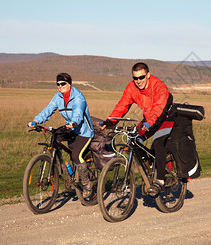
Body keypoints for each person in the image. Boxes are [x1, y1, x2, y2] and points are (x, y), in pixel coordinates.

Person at [100, 62, 173, 195]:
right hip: (149, 120)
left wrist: (149, 123)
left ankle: (161, 180)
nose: (138, 81)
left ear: (148, 75)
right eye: (135, 78)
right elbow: (122, 105)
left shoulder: (159, 85)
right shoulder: (132, 87)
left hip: (165, 118)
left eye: (141, 77)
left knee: (158, 143)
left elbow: (158, 109)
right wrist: (111, 121)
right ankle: (149, 167)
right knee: (133, 139)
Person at [28, 73, 95, 198]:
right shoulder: (58, 97)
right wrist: (36, 121)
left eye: (63, 83)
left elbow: (78, 112)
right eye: (58, 84)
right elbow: (48, 110)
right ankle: (63, 169)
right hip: (70, 128)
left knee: (76, 155)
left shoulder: (78, 97)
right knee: (54, 138)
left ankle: (87, 184)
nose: (60, 86)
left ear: (69, 84)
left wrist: (74, 122)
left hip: (83, 131)